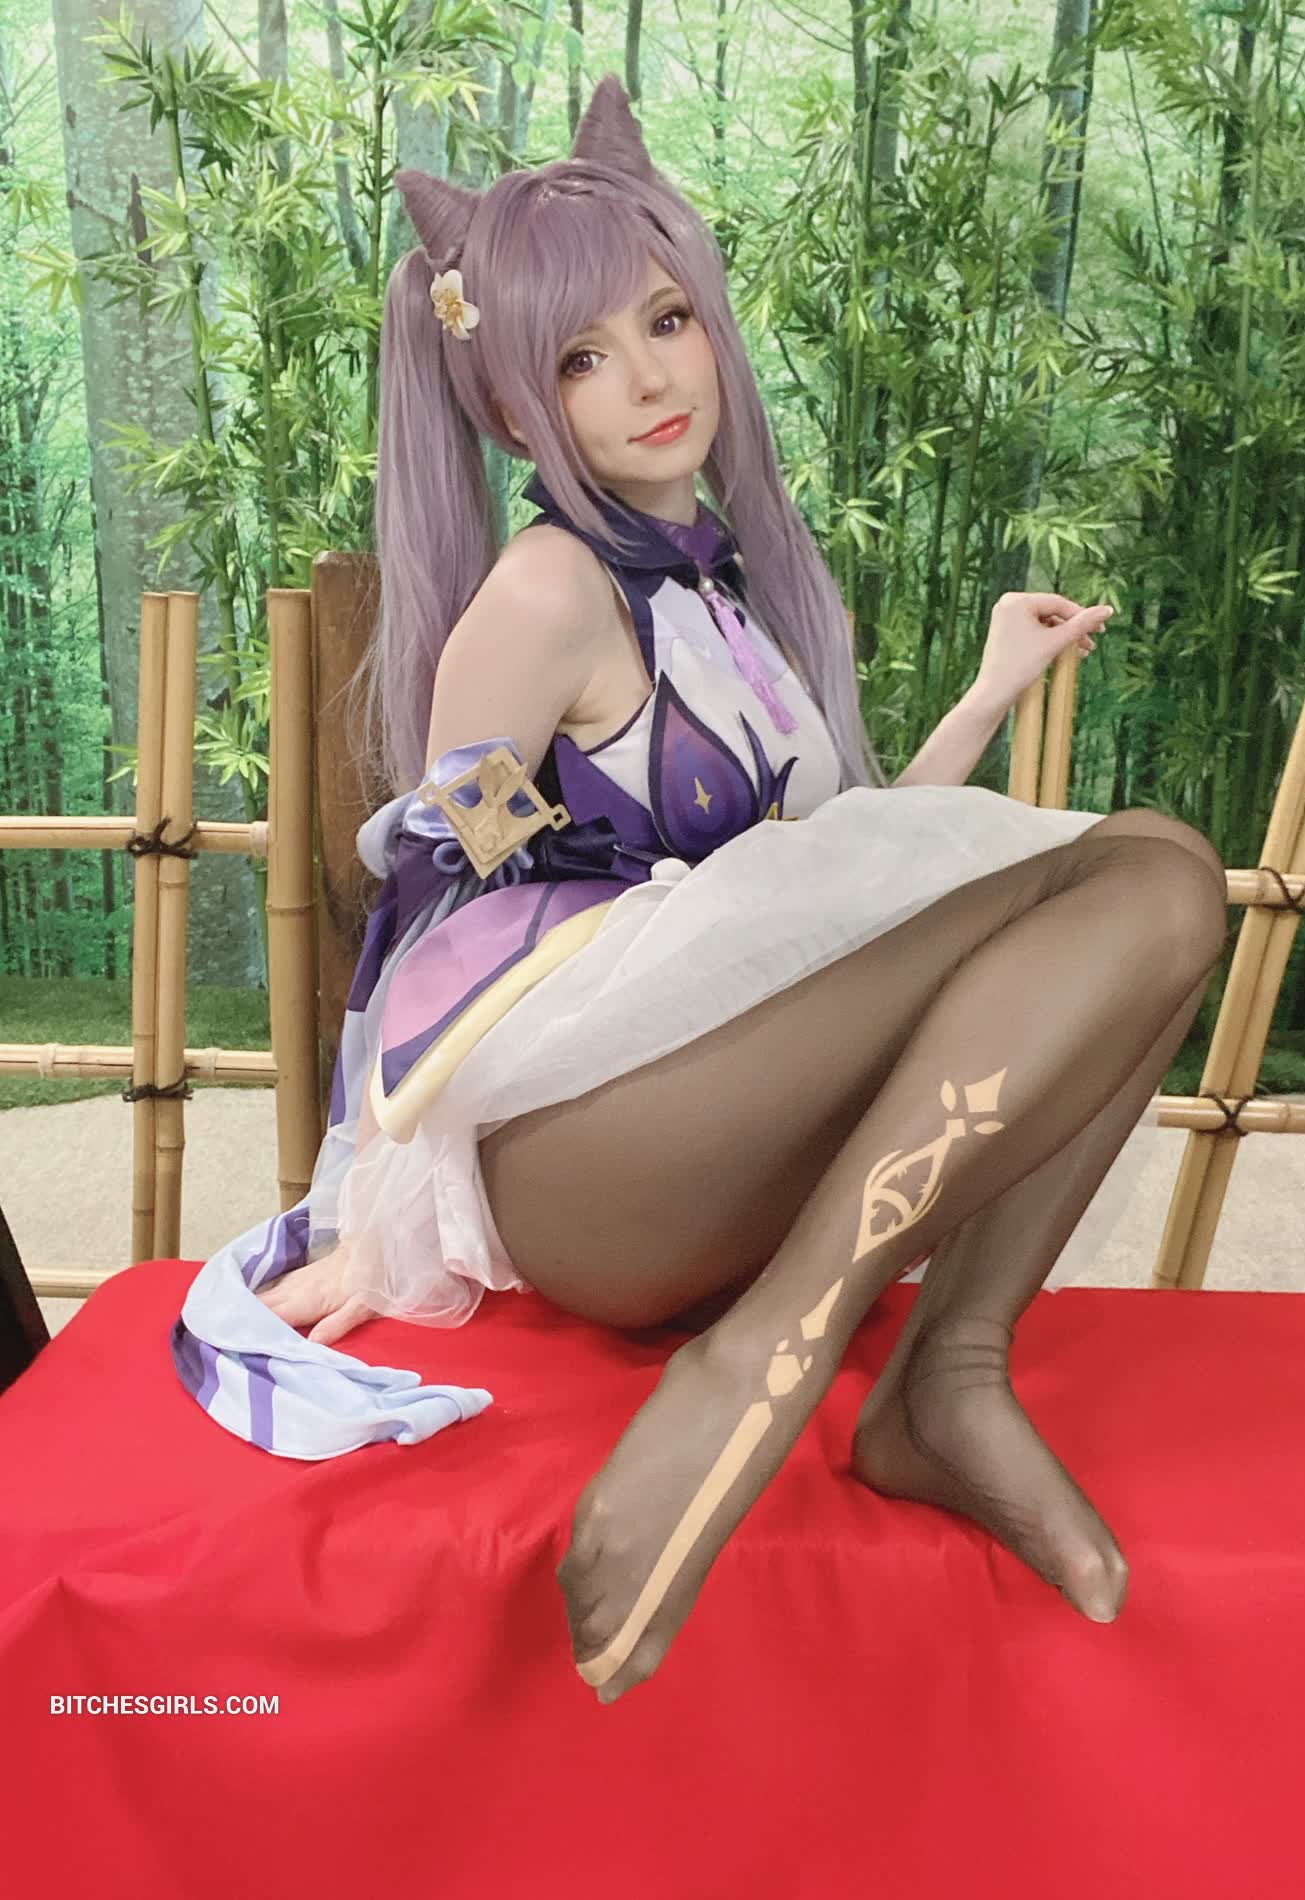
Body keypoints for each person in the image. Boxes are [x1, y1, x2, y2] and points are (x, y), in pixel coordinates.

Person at [172, 74, 1228, 1705]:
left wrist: (985, 695)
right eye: (577, 360)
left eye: (665, 322)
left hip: (720, 1093)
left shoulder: (740, 596)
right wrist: (376, 1219)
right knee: (1146, 869)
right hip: (593, 1145)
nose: (649, 379)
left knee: (1156, 881)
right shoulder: (545, 598)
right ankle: (772, 1356)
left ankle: (949, 1373)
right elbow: (440, 898)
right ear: (507, 408)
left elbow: (845, 883)